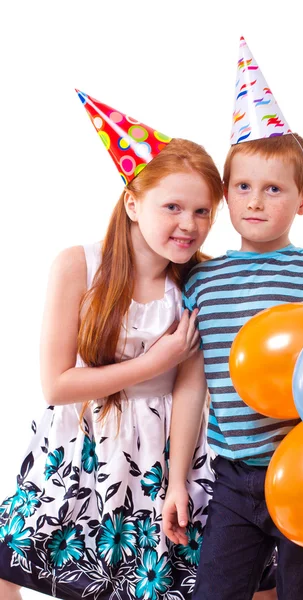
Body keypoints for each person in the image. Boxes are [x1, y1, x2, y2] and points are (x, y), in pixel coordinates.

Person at [0, 91, 224, 600]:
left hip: (168, 448)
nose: (188, 224)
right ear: (131, 202)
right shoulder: (79, 265)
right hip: (85, 441)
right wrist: (153, 360)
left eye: (202, 211)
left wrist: (176, 479)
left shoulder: (201, 281)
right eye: (172, 206)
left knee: (169, 572)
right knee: (13, 554)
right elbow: (58, 384)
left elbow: (192, 389)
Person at [163, 37, 303, 600]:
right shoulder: (202, 279)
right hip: (235, 478)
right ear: (226, 194)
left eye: (274, 189)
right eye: (243, 187)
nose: (256, 201)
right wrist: (177, 480)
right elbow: (192, 387)